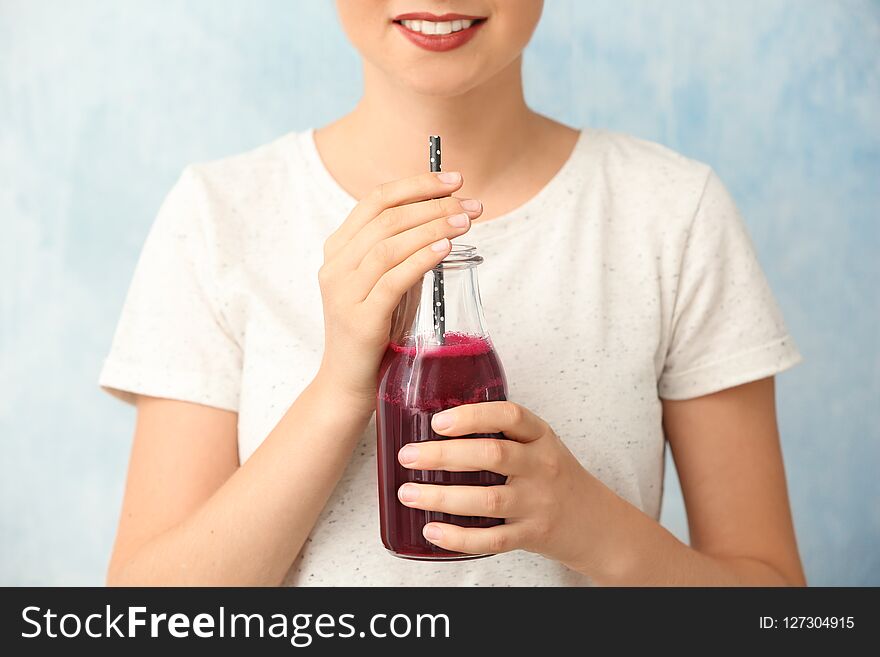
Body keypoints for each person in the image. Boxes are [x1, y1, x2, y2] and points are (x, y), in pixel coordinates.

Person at [100, 1, 806, 586]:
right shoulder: (219, 216)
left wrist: (592, 526)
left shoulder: (673, 215)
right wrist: (340, 389)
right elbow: (143, 619)